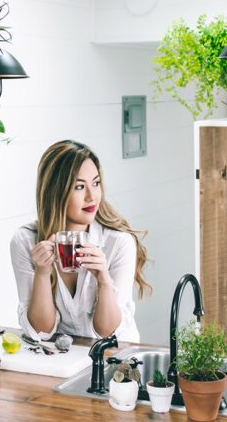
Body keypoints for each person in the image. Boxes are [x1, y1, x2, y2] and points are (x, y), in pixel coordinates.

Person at [10, 140, 150, 343]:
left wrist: (103, 280)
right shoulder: (25, 241)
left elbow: (107, 332)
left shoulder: (118, 243)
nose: (92, 196)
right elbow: (41, 331)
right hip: (66, 360)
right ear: (55, 192)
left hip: (118, 359)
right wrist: (42, 273)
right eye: (79, 187)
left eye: (96, 183)